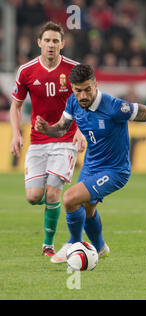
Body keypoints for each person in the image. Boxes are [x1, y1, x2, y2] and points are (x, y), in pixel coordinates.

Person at [35, 64, 146, 263]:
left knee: (70, 198)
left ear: (96, 85)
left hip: (115, 170)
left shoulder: (114, 107)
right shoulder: (73, 102)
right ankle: (99, 247)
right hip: (91, 165)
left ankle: (74, 243)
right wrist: (47, 129)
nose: (82, 95)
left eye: (87, 89)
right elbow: (62, 129)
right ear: (72, 88)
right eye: (78, 90)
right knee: (88, 209)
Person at [9, 21, 85, 257]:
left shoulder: (74, 70)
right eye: (47, 40)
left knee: (53, 192)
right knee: (34, 197)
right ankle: (50, 210)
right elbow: (16, 105)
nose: (51, 45)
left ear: (62, 44)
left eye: (56, 41)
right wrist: (15, 134)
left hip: (65, 139)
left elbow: (86, 103)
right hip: (38, 140)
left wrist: (81, 131)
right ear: (39, 43)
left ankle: (48, 245)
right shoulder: (26, 71)